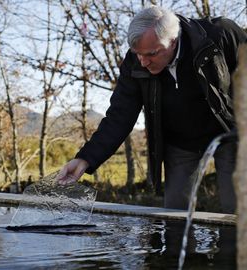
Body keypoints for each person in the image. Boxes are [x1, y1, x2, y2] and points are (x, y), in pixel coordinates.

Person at [56, 6, 247, 214]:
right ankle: (178, 247)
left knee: (236, 209)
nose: (144, 62)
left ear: (173, 40)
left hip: (229, 133)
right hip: (180, 143)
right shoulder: (135, 62)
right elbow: (119, 115)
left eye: (151, 54)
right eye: (138, 54)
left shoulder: (220, 35)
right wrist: (86, 159)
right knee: (174, 215)